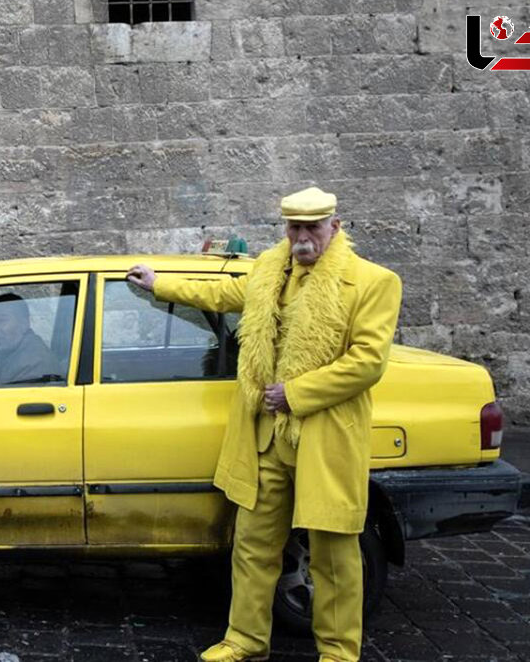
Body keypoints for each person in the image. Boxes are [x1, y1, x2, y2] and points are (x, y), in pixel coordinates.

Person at [126, 187, 403, 662]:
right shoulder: (267, 272)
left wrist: (295, 394)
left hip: (324, 438)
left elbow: (367, 363)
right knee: (253, 546)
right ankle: (245, 641)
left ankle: (339, 653)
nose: (302, 237)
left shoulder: (374, 282)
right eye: (294, 228)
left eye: (312, 227)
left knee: (335, 555)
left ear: (334, 227)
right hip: (266, 437)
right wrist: (159, 284)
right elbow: (219, 293)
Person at [0, 293, 58, 385]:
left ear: (24, 323)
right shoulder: (11, 350)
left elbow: (10, 399)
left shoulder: (34, 363)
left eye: (2, 320)